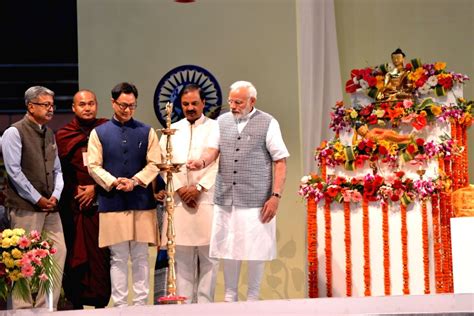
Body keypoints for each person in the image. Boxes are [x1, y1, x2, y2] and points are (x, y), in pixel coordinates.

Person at [187, 81, 289, 302]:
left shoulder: (268, 122)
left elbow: (280, 161)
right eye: (231, 101)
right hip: (226, 198)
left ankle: (253, 298)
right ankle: (230, 298)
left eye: (238, 102)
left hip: (256, 200)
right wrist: (201, 162)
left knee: (256, 250)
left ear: (252, 101)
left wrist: (276, 196)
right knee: (228, 249)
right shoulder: (221, 122)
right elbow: (213, 150)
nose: (232, 106)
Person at [87, 82, 161, 307]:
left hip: (141, 202)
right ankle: (120, 306)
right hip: (112, 202)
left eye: (132, 106)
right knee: (118, 257)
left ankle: (140, 304)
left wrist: (136, 181)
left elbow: (155, 162)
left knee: (140, 256)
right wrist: (113, 181)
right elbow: (93, 165)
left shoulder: (146, 131)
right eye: (122, 105)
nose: (127, 110)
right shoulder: (98, 133)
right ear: (113, 102)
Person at [1, 86, 66, 309]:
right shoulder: (14, 132)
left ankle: (46, 307)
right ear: (30, 106)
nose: (50, 109)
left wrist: (55, 195)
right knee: (23, 258)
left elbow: (58, 170)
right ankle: (21, 309)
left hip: (50, 207)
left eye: (52, 105)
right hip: (25, 207)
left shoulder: (49, 133)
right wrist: (37, 198)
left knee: (58, 252)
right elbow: (14, 171)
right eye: (45, 105)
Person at [160, 84, 219, 303]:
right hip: (179, 202)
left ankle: (205, 307)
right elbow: (162, 163)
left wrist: (199, 188)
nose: (190, 108)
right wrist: (179, 189)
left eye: (195, 103)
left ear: (203, 103)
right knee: (181, 260)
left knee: (209, 260)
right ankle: (183, 307)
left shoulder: (215, 128)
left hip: (206, 200)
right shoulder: (172, 130)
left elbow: (217, 163)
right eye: (186, 104)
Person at [55, 90, 111, 309]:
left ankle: (101, 303)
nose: (87, 108)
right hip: (73, 204)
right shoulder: (64, 134)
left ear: (97, 105)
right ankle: (75, 302)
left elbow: (115, 165)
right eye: (82, 104)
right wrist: (76, 190)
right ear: (73, 108)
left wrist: (95, 188)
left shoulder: (106, 130)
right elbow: (57, 170)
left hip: (102, 201)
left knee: (101, 256)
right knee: (73, 253)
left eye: (91, 103)